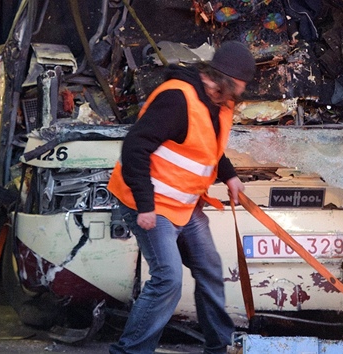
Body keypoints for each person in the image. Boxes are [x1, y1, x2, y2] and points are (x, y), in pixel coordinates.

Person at [107, 40, 256, 354]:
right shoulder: (178, 99)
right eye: (240, 86)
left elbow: (208, 147)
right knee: (168, 279)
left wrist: (228, 175)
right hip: (148, 205)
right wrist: (145, 206)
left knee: (210, 268)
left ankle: (219, 348)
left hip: (183, 206)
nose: (242, 93)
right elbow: (135, 147)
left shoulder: (219, 103)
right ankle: (130, 351)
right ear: (224, 80)